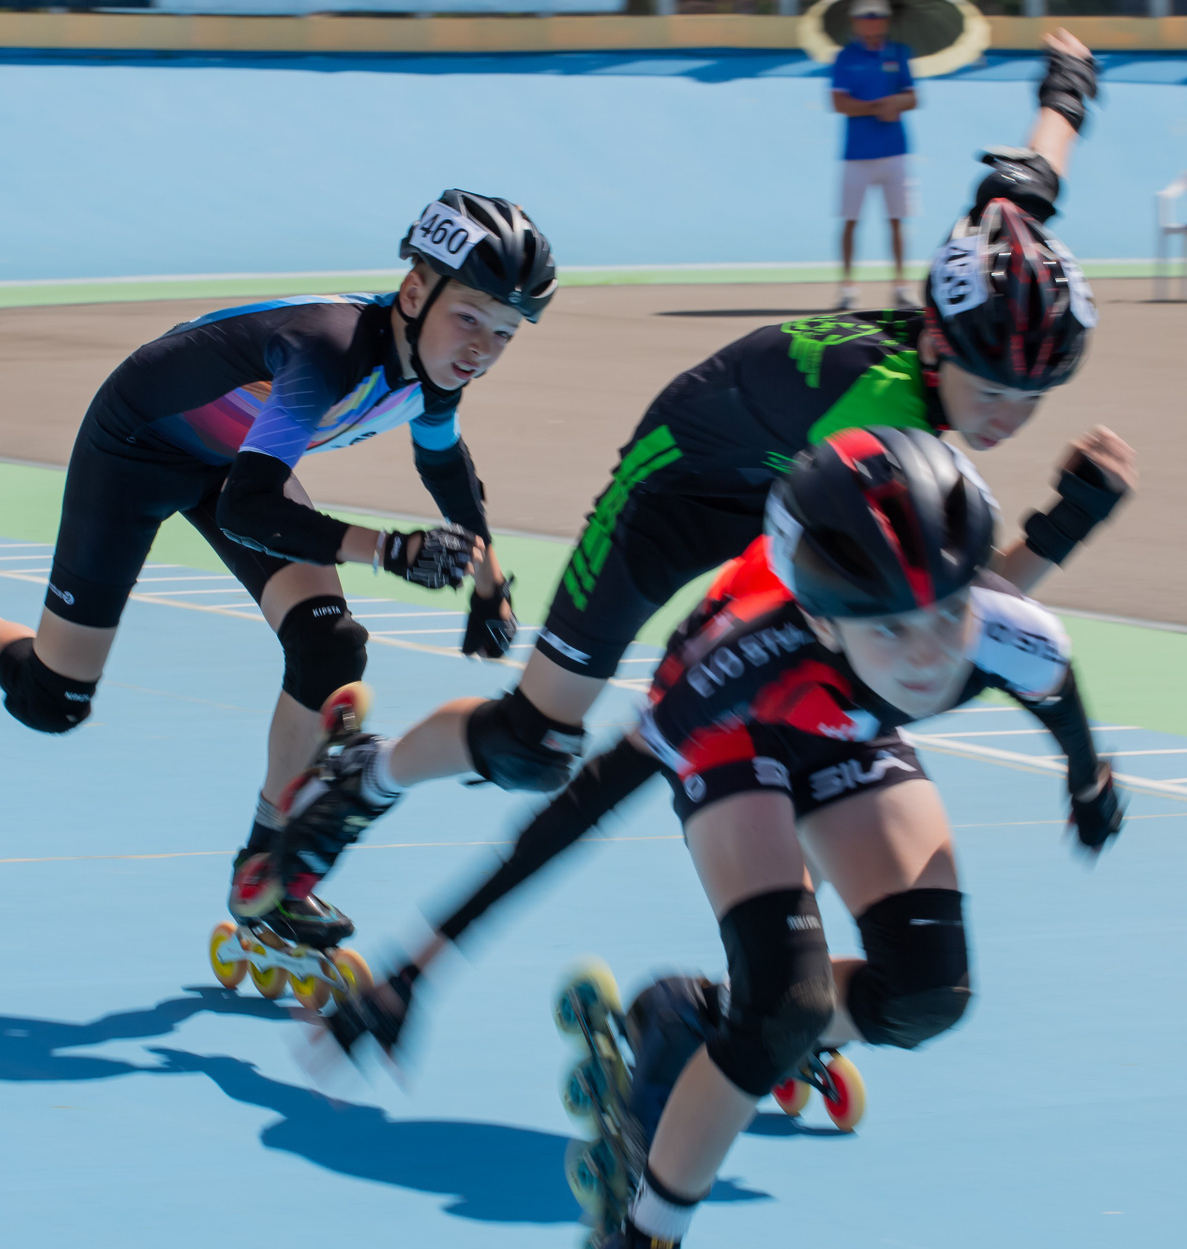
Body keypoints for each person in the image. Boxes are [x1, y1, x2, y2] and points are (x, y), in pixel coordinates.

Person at [233, 31, 1121, 923]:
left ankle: (785, 964)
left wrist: (1069, 88)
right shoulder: (884, 423)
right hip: (676, 491)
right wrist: (1062, 527)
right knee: (533, 744)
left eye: (1032, 397)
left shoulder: (990, 273)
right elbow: (959, 617)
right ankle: (364, 782)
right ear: (936, 339)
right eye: (990, 388)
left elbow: (1028, 180)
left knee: (805, 711)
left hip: (791, 483)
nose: (1006, 417)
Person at [318, 429, 1127, 1249]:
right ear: (824, 617)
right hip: (734, 731)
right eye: (890, 629)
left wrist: (1088, 784)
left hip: (844, 721)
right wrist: (418, 967)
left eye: (946, 614)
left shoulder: (1005, 631)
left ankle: (696, 1015)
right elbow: (572, 818)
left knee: (929, 993)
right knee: (787, 1009)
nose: (927, 655)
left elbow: (1059, 701)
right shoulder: (736, 663)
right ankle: (646, 1243)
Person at [0, 190, 553, 948]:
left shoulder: (433, 372)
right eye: (470, 319)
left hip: (235, 461)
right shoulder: (327, 351)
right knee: (53, 700)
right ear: (416, 292)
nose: (482, 349)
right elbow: (248, 511)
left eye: (505, 332)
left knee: (329, 646)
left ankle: (269, 870)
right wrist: (389, 550)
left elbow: (447, 469)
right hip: (136, 451)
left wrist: (490, 584)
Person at [832, 0, 919, 311]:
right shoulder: (845, 57)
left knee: (896, 221)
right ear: (856, 21)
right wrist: (875, 107)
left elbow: (912, 97)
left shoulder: (898, 53)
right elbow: (839, 103)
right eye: (866, 17)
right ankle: (847, 287)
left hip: (894, 152)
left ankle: (901, 286)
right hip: (857, 154)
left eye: (878, 16)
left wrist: (897, 103)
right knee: (850, 221)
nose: (872, 21)